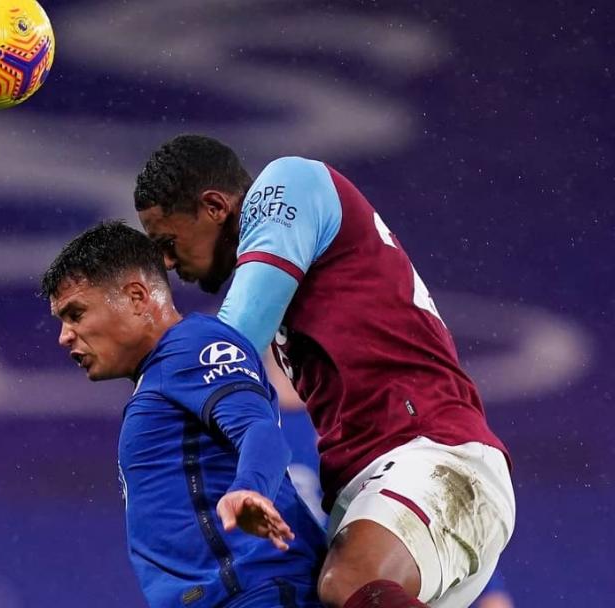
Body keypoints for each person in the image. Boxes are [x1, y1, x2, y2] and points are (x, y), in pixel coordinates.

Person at [134, 135, 516, 608]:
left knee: (347, 579)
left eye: (167, 243)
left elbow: (229, 350)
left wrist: (152, 380)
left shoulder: (290, 183)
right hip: (371, 493)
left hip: (432, 453)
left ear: (214, 206)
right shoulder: (294, 279)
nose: (168, 264)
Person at [40, 221, 327, 608]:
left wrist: (251, 489)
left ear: (137, 296)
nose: (64, 335)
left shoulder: (193, 347)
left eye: (76, 313)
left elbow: (259, 429)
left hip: (254, 593)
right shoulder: (163, 373)